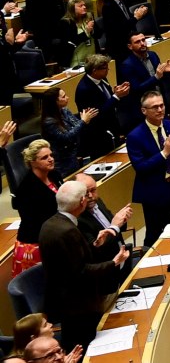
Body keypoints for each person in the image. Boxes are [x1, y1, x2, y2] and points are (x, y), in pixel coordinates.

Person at [41, 180, 130, 352]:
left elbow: (70, 260)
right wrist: (114, 262)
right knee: (84, 349)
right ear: (82, 202)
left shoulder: (52, 223)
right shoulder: (68, 230)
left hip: (66, 301)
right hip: (78, 307)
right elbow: (81, 272)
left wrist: (94, 245)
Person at [126, 89, 170, 244]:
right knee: (156, 234)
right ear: (144, 111)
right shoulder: (135, 136)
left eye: (162, 105)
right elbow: (141, 167)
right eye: (155, 107)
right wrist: (164, 153)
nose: (160, 110)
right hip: (154, 192)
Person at [12, 139, 61, 277]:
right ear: (32, 162)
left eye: (51, 155)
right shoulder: (26, 190)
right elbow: (37, 221)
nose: (50, 159)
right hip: (35, 245)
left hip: (53, 234)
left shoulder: (54, 175)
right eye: (45, 158)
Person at [72, 56, 126, 161]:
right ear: (94, 70)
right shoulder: (84, 89)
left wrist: (115, 93)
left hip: (111, 128)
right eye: (105, 68)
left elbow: (107, 98)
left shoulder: (101, 79)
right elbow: (97, 113)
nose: (108, 70)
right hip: (98, 136)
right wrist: (116, 97)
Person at [39, 88, 93, 175]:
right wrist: (83, 122)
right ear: (55, 102)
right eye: (63, 97)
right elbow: (66, 137)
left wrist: (85, 120)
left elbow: (76, 126)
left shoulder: (65, 110)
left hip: (73, 156)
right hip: (61, 163)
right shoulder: (49, 121)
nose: (67, 98)